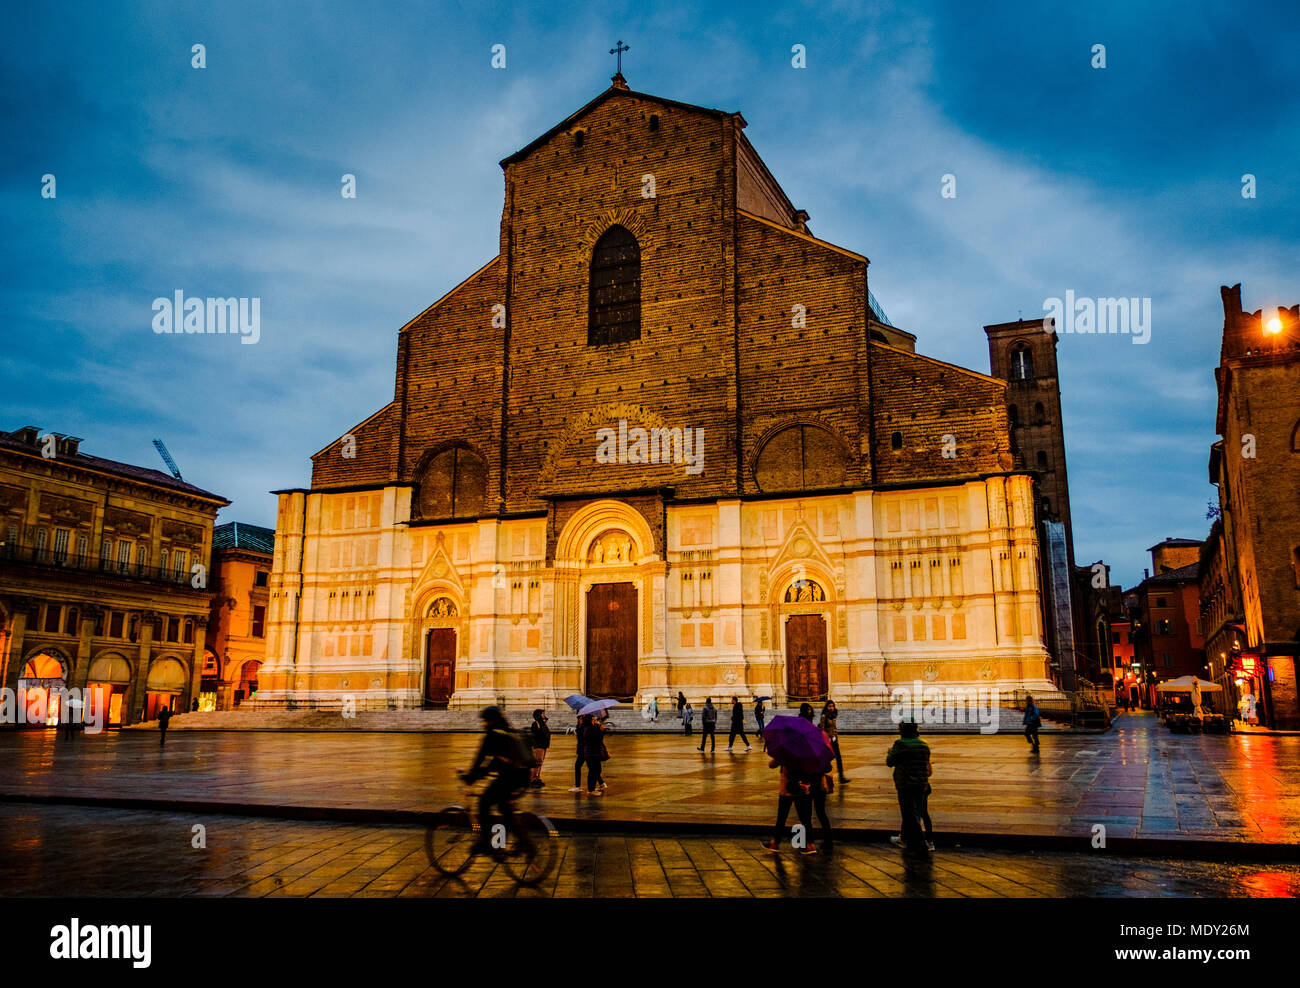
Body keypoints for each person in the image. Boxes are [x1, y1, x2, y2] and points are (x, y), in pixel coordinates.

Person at [461, 706, 532, 853]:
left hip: (510, 777)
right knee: (503, 807)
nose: (484, 724)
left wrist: (470, 777)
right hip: (523, 776)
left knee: (484, 803)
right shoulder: (509, 731)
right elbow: (494, 763)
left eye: (485, 721)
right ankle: (506, 843)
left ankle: (486, 842)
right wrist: (482, 773)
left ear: (490, 721)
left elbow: (480, 759)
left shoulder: (492, 735)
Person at [760, 705, 828, 855]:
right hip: (803, 787)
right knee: (805, 818)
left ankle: (775, 842)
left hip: (787, 788)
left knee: (781, 817)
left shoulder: (787, 748)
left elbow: (772, 764)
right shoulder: (809, 749)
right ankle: (809, 845)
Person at [885, 720, 931, 853]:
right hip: (921, 784)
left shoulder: (900, 744)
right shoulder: (924, 744)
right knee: (913, 812)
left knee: (910, 814)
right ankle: (906, 838)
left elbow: (889, 762)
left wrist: (890, 752)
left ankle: (920, 844)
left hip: (905, 784)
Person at [820, 700, 847, 784]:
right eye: (829, 706)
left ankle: (841, 777)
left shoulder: (834, 715)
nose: (831, 708)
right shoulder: (824, 716)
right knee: (826, 760)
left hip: (834, 740)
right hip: (827, 741)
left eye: (832, 706)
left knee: (838, 758)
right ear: (826, 707)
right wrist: (825, 740)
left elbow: (834, 728)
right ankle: (823, 778)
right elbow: (822, 729)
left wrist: (836, 737)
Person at [529, 709, 550, 787]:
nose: (544, 714)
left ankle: (537, 777)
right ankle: (533, 779)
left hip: (543, 746)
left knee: (540, 763)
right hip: (538, 746)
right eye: (542, 713)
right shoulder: (536, 724)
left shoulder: (542, 723)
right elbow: (536, 735)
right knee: (537, 763)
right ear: (539, 715)